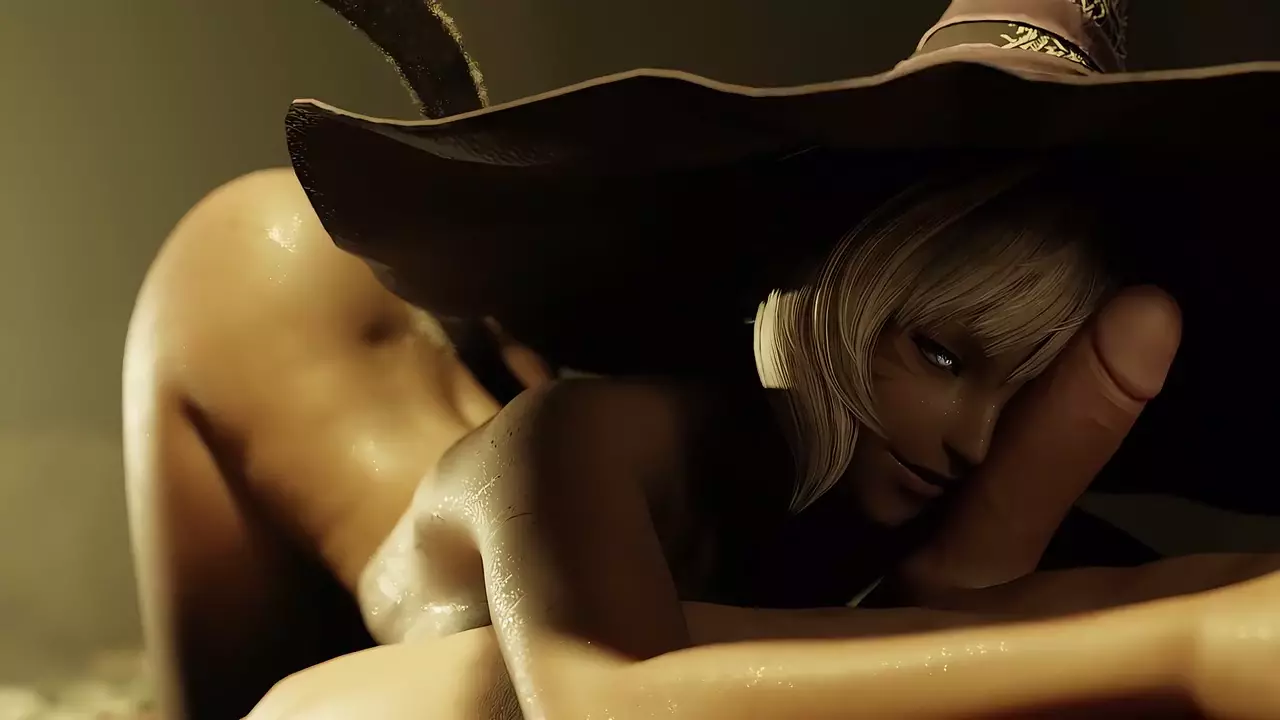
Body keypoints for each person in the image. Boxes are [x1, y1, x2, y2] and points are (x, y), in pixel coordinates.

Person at [126, 1, 1280, 720]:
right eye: (937, 353)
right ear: (833, 291)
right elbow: (609, 699)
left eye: (1024, 387)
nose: (980, 438)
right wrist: (1174, 648)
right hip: (286, 368)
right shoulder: (576, 439)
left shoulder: (943, 484)